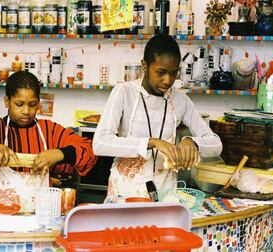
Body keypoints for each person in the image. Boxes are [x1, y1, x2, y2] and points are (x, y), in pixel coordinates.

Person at [0, 71, 97, 213]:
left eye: (32, 104)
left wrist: (60, 153)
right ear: (7, 102)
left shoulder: (49, 131)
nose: (26, 111)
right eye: (19, 104)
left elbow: (89, 150)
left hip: (42, 218)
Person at [93, 34, 222, 203]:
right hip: (126, 193)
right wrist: (153, 142)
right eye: (160, 72)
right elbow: (100, 143)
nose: (168, 80)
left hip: (165, 195)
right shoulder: (124, 92)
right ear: (145, 66)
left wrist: (193, 142)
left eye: (173, 73)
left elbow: (216, 144)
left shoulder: (180, 100)